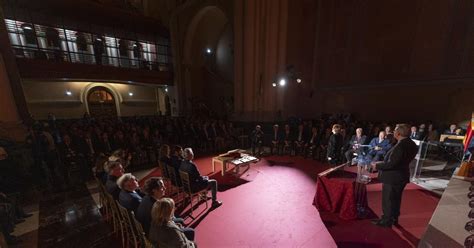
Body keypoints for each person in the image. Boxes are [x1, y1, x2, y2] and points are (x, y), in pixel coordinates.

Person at [370, 124, 418, 227]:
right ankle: (394, 218)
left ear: (399, 133)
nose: (393, 132)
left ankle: (386, 221)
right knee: (396, 199)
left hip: (393, 177)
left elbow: (392, 164)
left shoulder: (401, 146)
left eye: (395, 131)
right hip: (401, 176)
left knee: (388, 200)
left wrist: (377, 166)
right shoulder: (412, 144)